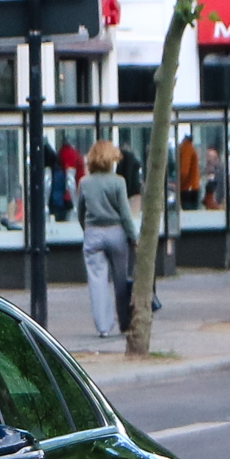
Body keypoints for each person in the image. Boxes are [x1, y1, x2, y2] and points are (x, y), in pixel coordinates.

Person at [77, 140, 137, 338]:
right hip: (117, 233)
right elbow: (125, 214)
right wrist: (132, 236)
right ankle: (124, 322)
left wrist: (86, 229)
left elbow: (80, 212)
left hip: (93, 233)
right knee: (121, 280)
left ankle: (103, 326)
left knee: (97, 281)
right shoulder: (118, 181)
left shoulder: (84, 183)